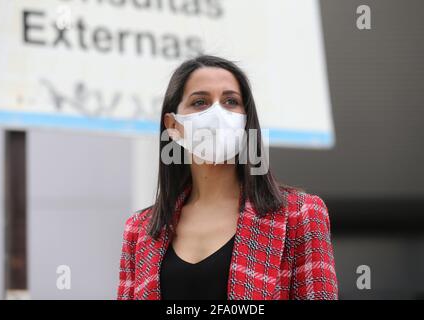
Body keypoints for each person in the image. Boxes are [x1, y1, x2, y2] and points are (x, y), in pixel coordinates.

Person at [117, 55, 338, 300]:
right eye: (200, 102)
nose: (217, 113)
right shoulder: (140, 230)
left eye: (230, 101)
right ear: (173, 126)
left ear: (246, 120)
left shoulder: (301, 215)